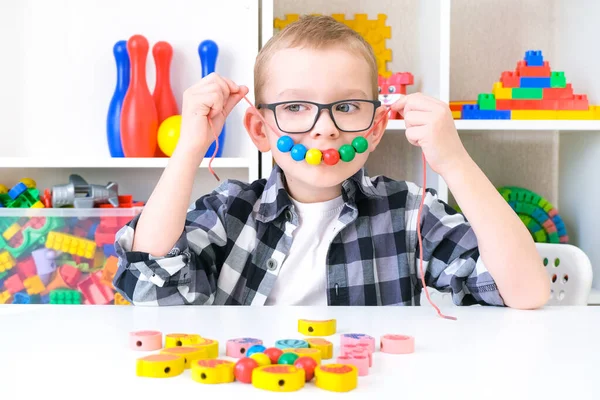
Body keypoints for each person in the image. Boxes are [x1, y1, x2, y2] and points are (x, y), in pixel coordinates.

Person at [112, 15, 549, 309]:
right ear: (261, 130)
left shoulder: (410, 213)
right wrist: (188, 150)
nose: (324, 129)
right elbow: (152, 289)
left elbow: (526, 292)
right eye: (297, 107)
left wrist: (454, 161)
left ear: (375, 128)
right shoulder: (229, 212)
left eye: (346, 106)